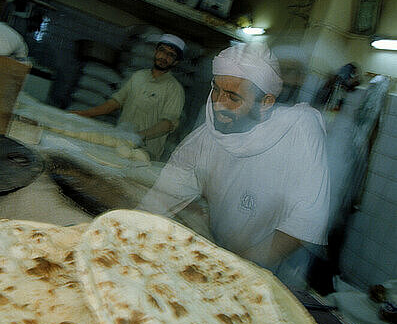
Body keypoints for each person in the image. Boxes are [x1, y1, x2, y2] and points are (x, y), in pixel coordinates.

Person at [140, 41, 330, 280]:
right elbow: (162, 197)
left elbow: (308, 219)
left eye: (233, 97)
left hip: (272, 272)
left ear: (265, 103)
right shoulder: (205, 137)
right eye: (216, 90)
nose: (219, 103)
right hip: (221, 258)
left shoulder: (299, 129)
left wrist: (242, 268)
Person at [72, 34, 185, 161]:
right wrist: (85, 113)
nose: (164, 57)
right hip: (119, 144)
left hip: (144, 154)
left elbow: (168, 124)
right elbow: (116, 102)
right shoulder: (138, 76)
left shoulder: (175, 89)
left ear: (176, 62)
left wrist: (139, 136)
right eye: (162, 51)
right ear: (155, 52)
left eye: (171, 55)